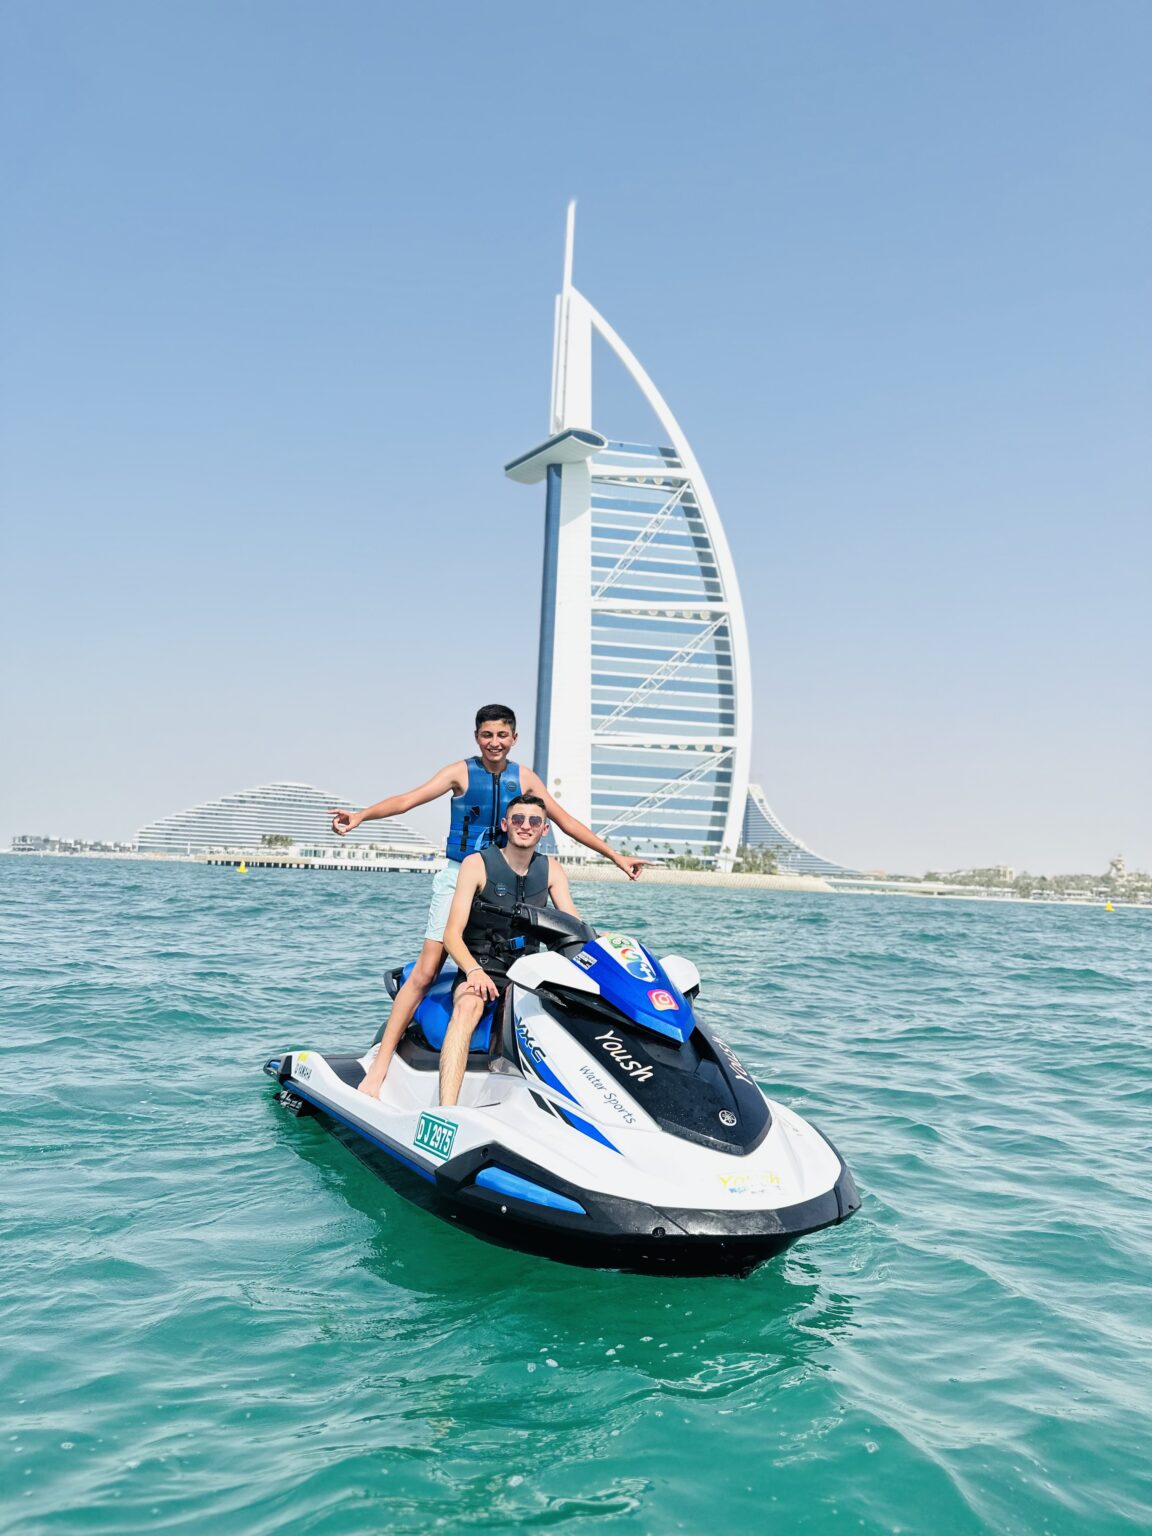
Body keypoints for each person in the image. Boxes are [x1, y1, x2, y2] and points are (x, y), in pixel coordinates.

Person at [332, 704, 642, 1097]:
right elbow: (409, 800)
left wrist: (616, 857)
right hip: (460, 874)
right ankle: (377, 1070)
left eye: (501, 736)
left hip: (505, 882)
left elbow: (565, 822)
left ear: (514, 739)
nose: (494, 743)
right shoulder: (459, 773)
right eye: (486, 735)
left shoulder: (524, 778)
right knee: (427, 972)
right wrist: (361, 816)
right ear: (477, 738)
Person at [438, 792, 577, 1107]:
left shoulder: (552, 870)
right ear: (505, 824)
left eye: (534, 821)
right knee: (468, 1007)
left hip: (527, 977)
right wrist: (473, 971)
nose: (525, 826)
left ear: (544, 829)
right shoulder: (477, 864)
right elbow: (451, 936)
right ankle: (446, 1109)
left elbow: (573, 926)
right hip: (481, 971)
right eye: (517, 819)